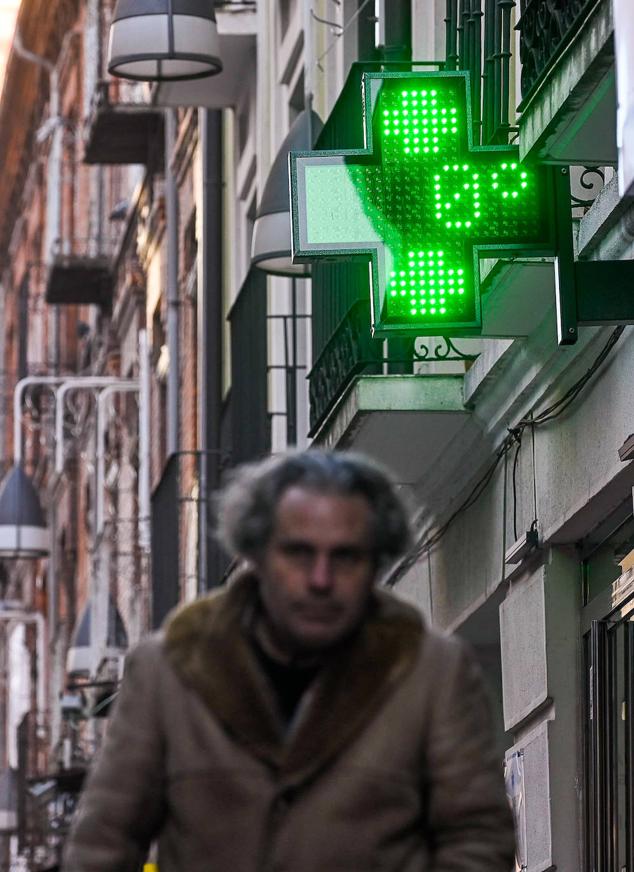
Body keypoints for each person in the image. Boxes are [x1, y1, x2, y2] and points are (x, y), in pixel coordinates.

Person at [63, 449, 515, 872]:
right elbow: (103, 844)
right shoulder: (167, 672)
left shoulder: (433, 673)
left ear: (374, 563)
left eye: (346, 556)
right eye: (299, 554)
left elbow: (477, 837)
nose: (321, 579)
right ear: (255, 555)